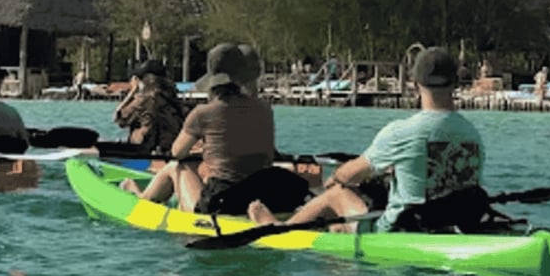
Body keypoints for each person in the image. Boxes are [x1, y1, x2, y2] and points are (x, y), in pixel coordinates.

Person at [247, 46, 483, 233]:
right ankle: (338, 232)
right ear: (455, 83)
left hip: (404, 228)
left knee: (336, 194)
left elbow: (352, 173)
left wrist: (336, 178)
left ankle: (281, 230)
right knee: (339, 238)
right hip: (455, 221)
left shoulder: (402, 132)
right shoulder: (472, 134)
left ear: (414, 85)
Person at [121, 43, 303, 214]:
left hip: (223, 200)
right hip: (262, 193)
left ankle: (142, 200)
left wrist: (204, 150)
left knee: (175, 166)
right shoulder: (264, 108)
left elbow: (177, 152)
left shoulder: (203, 113)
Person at [113, 59, 186, 155]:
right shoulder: (171, 97)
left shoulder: (145, 99)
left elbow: (119, 119)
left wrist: (132, 92)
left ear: (149, 79)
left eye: (140, 78)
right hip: (169, 147)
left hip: (145, 150)